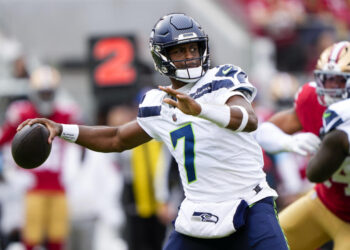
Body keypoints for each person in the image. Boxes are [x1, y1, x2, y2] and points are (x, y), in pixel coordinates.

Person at [18, 13, 288, 250]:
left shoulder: (223, 79)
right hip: (199, 210)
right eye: (179, 51)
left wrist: (201, 110)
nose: (189, 56)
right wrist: (61, 129)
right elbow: (116, 138)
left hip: (250, 202)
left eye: (193, 48)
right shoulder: (158, 104)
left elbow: (248, 119)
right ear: (162, 56)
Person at [254, 41, 350, 249]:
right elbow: (264, 131)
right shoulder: (312, 99)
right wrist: (288, 142)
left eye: (340, 81)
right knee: (268, 243)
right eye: (327, 79)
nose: (331, 88)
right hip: (324, 203)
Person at [0, 65, 81, 250]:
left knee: (57, 238)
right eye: (42, 93)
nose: (45, 98)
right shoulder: (21, 113)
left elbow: (81, 146)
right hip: (30, 185)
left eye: (48, 93)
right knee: (31, 237)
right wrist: (10, 171)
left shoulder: (66, 114)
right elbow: (2, 140)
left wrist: (75, 172)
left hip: (59, 185)